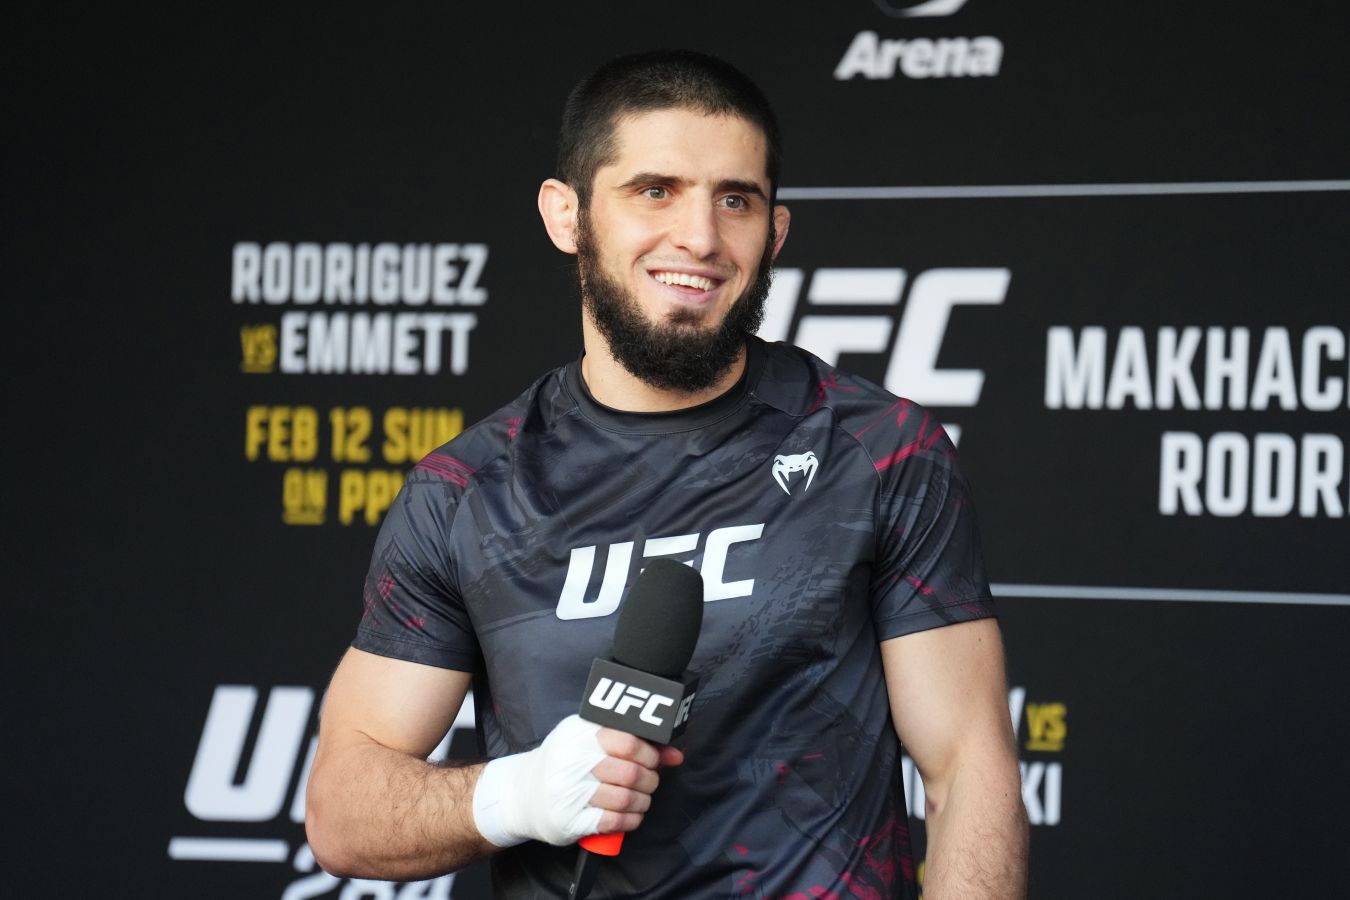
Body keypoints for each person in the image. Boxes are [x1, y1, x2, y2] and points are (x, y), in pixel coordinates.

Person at [306, 50, 1028, 899]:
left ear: (776, 232)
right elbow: (344, 812)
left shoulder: (878, 450)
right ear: (567, 215)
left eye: (735, 200)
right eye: (655, 191)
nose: (701, 238)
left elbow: (967, 769)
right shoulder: (468, 492)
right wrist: (514, 796)